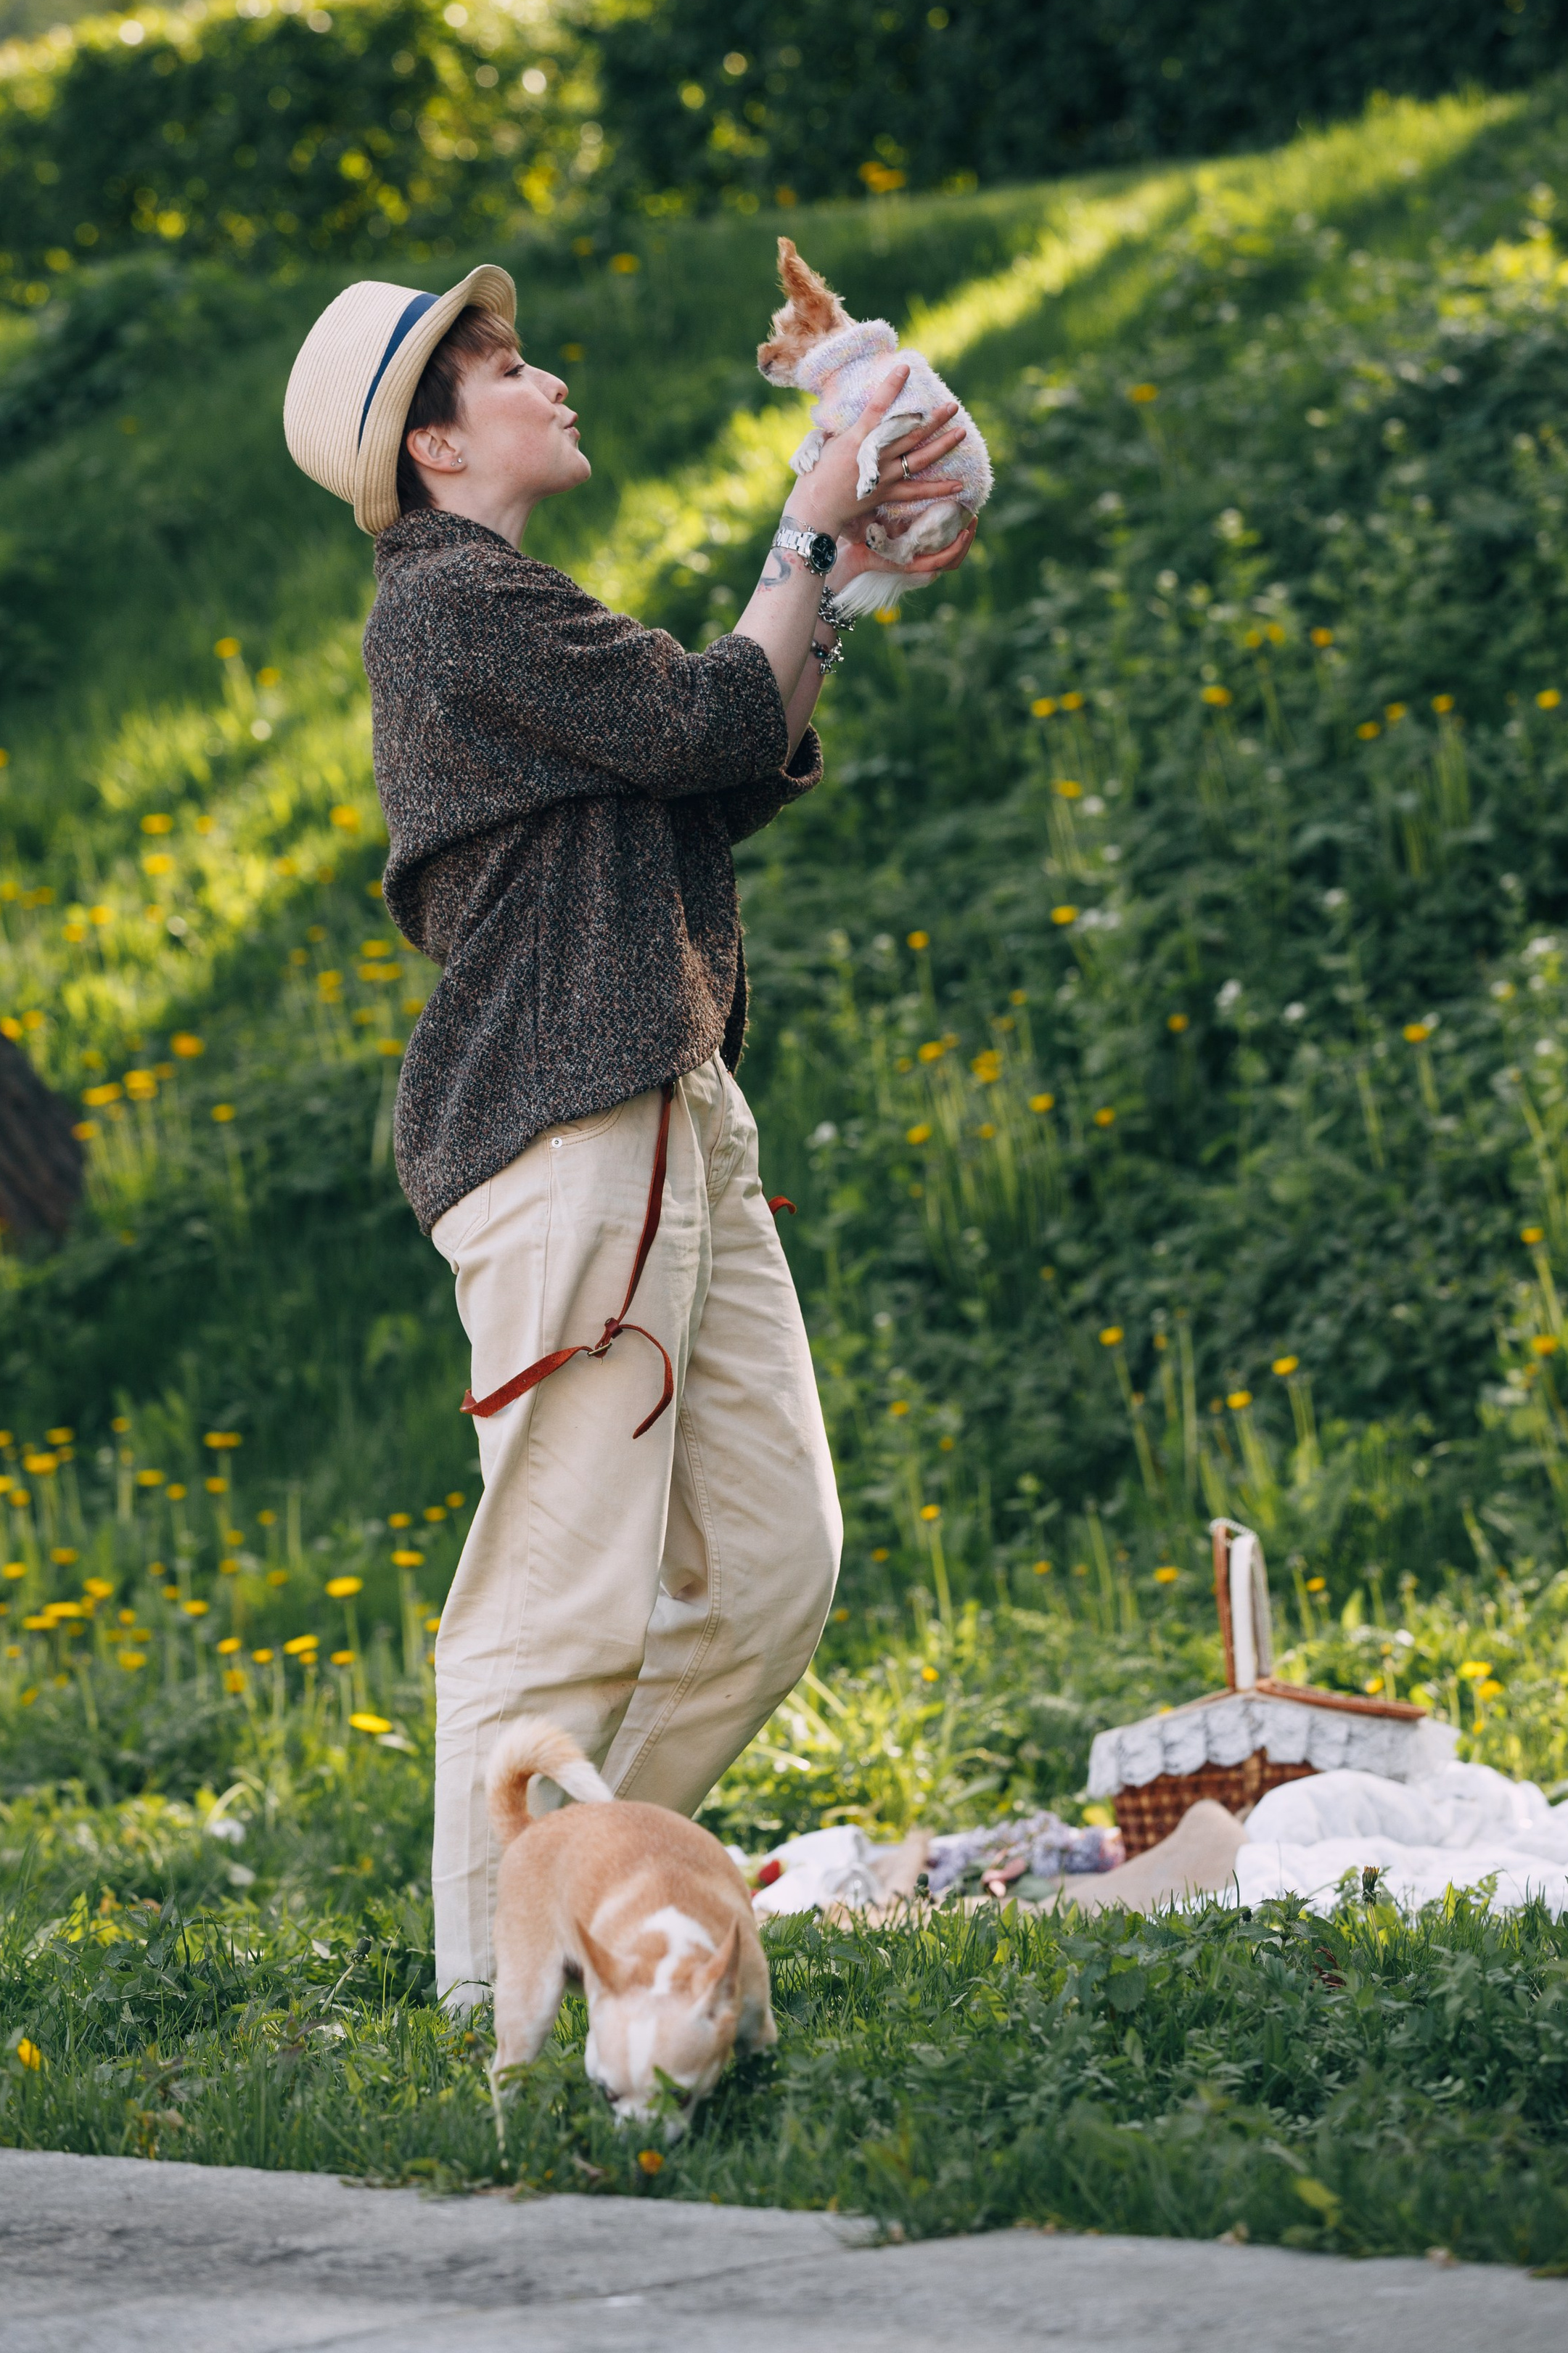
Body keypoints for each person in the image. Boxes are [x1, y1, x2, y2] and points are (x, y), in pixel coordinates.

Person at [283, 263, 974, 2005]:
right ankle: (481, 1995)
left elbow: (728, 763)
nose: (551, 382)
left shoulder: (510, 605)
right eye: (510, 370)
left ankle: (572, 1904)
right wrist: (805, 529)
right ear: (434, 441)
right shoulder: (443, 604)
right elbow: (706, 714)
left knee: (767, 1568)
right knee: (555, 1594)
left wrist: (844, 577)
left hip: (672, 1108)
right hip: (563, 1123)